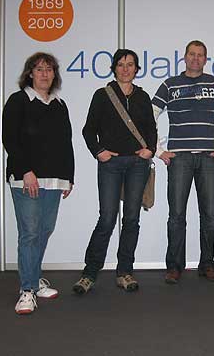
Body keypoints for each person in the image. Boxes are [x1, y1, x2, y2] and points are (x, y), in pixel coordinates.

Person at [73, 49, 156, 294]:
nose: (125, 69)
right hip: (110, 165)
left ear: (137, 69)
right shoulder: (102, 95)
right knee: (107, 218)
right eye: (120, 64)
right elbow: (89, 130)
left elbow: (151, 128)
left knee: (131, 219)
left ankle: (125, 272)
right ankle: (89, 274)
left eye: (130, 64)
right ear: (114, 68)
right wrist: (99, 151)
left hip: (137, 165)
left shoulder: (142, 97)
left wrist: (150, 149)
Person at [152, 40, 214, 284]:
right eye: (192, 54)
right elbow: (150, 114)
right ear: (185, 57)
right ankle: (174, 267)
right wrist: (158, 150)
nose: (196, 58)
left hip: (208, 158)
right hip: (180, 158)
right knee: (176, 215)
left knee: (209, 215)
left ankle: (207, 265)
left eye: (200, 55)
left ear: (205, 59)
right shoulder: (170, 85)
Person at [3, 52, 74, 315]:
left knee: (44, 230)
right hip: (26, 179)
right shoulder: (18, 101)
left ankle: (34, 278)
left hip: (54, 180)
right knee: (30, 233)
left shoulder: (59, 104)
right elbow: (10, 139)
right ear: (30, 73)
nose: (45, 74)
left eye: (49, 69)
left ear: (54, 74)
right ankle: (27, 289)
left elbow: (65, 142)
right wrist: (26, 171)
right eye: (39, 69)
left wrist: (68, 177)